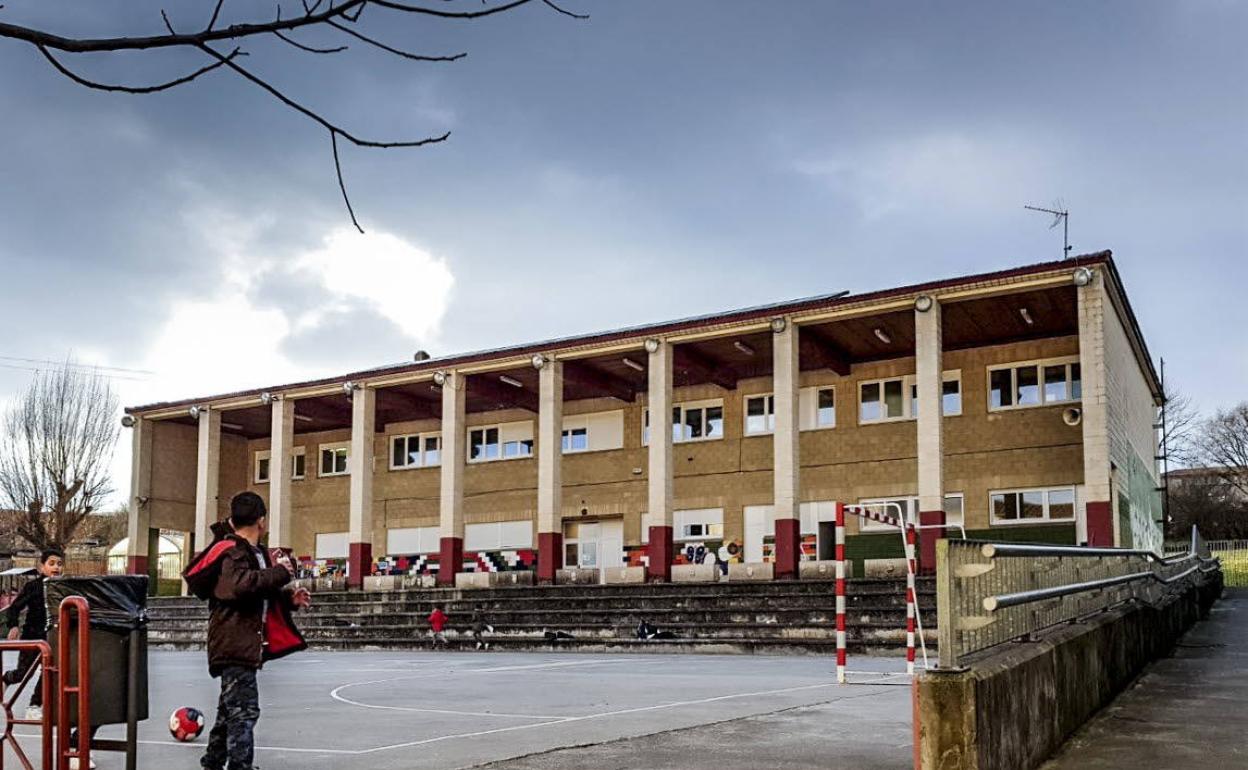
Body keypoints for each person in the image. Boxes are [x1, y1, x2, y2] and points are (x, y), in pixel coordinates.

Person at [183, 492, 310, 770]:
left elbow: (254, 592)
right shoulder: (232, 551)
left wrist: (289, 599)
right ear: (261, 521)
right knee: (244, 712)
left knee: (230, 710)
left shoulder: (252, 554)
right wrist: (281, 573)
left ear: (232, 518)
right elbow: (238, 586)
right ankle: (240, 765)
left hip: (240, 643)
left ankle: (213, 761)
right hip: (234, 644)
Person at [4, 550, 64, 720]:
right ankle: (7, 678)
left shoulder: (63, 588)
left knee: (49, 672)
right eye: (51, 563)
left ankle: (35, 705)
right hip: (32, 637)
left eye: (59, 564)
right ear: (42, 566)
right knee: (24, 673)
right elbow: (15, 607)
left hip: (52, 638)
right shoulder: (33, 587)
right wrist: (14, 626)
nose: (56, 567)